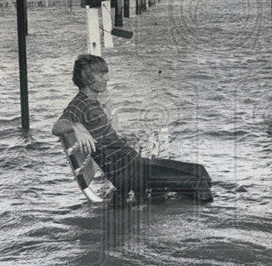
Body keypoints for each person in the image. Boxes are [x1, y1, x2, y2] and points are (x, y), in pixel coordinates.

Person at [52, 54, 213, 204]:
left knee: (199, 172)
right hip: (127, 173)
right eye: (101, 75)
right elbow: (57, 127)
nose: (107, 78)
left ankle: (173, 212)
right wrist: (76, 126)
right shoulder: (79, 104)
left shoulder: (89, 102)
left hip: (135, 165)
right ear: (86, 79)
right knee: (199, 184)